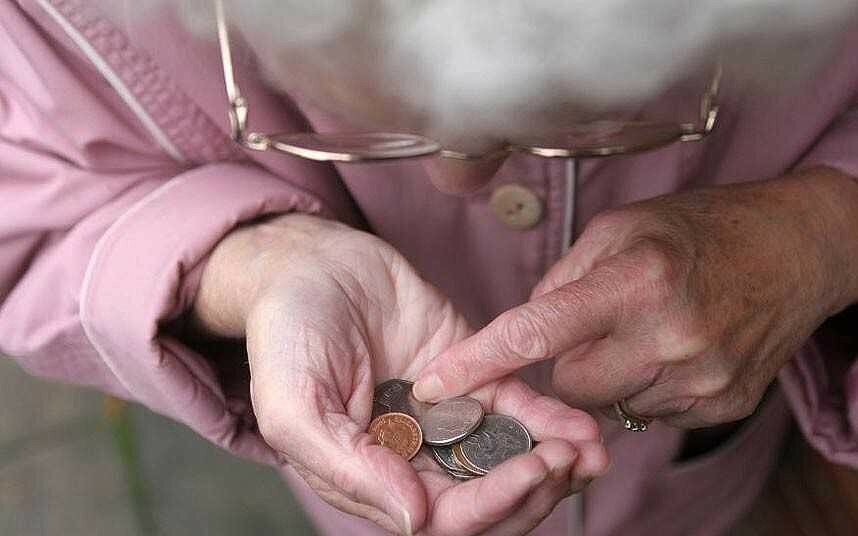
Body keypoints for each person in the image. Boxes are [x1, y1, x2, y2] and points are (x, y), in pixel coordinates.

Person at [1, 1, 857, 535]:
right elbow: (27, 205)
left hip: (702, 476)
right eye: (379, 113)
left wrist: (821, 235)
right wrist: (248, 267)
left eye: (564, 117)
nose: (457, 178)